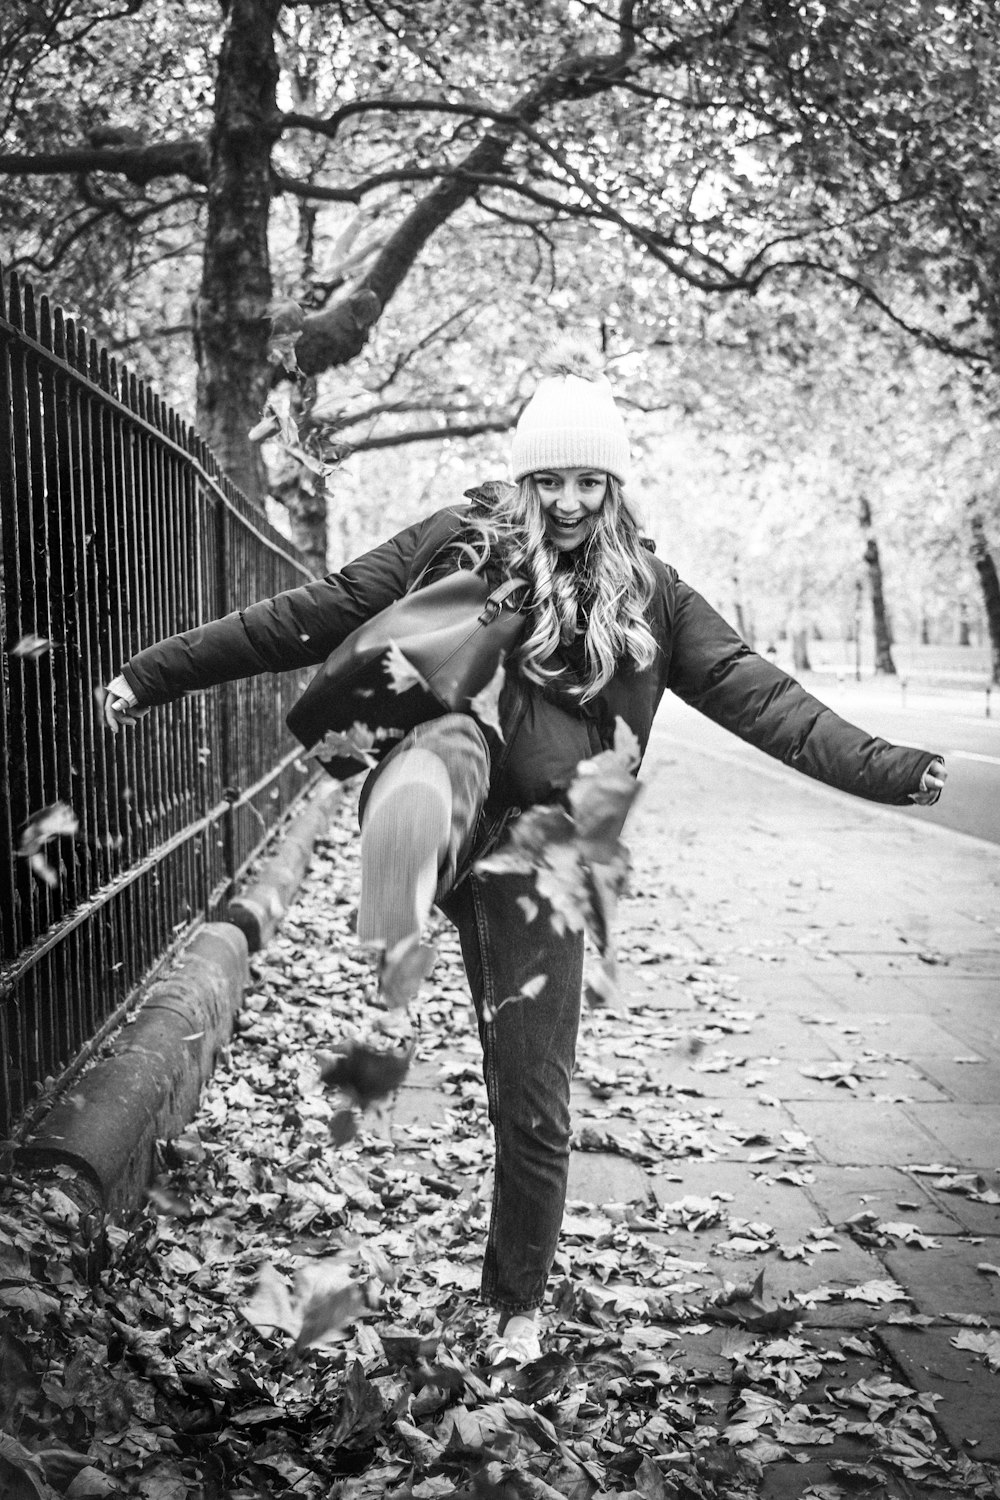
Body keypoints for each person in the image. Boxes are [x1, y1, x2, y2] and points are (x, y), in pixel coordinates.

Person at [104, 346, 946, 1368]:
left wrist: (891, 768)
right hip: (440, 795)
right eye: (550, 480)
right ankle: (396, 952)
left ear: (616, 485)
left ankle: (516, 1303)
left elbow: (762, 697)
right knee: (441, 760)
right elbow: (312, 615)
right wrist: (152, 674)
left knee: (535, 1097)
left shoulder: (654, 599)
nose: (569, 501)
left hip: (540, 859)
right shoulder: (455, 544)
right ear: (523, 477)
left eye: (590, 481)